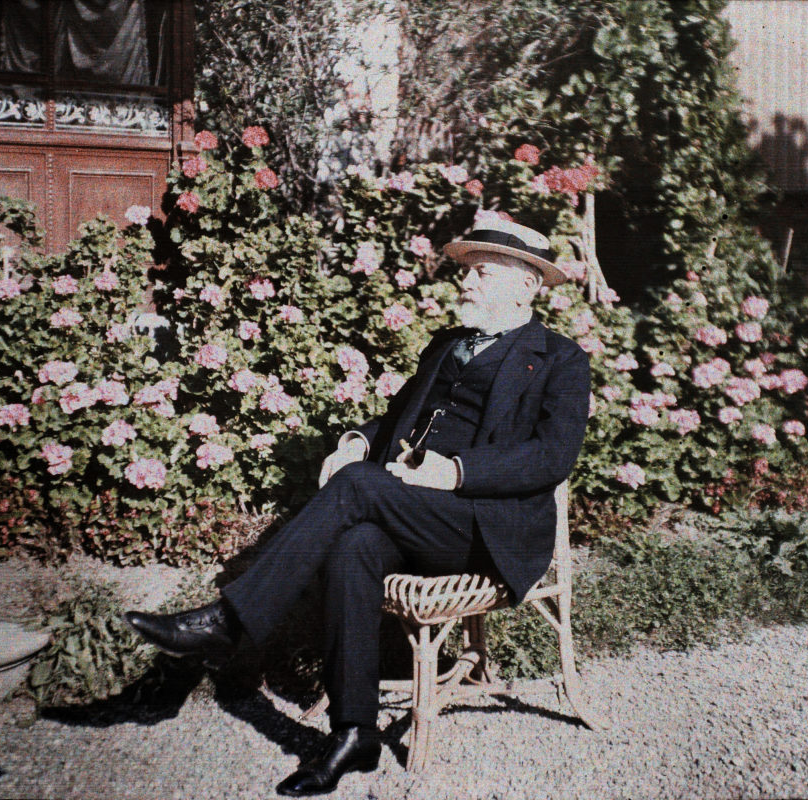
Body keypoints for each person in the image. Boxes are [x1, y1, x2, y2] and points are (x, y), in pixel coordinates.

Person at [125, 217, 591, 797]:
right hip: (416, 513)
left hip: (487, 527)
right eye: (467, 271)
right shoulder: (448, 344)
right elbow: (397, 419)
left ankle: (230, 622)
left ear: (526, 287)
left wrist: (457, 472)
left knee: (356, 488)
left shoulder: (560, 360)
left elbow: (552, 457)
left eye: (483, 273)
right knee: (354, 544)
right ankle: (354, 733)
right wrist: (357, 442)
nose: (466, 283)